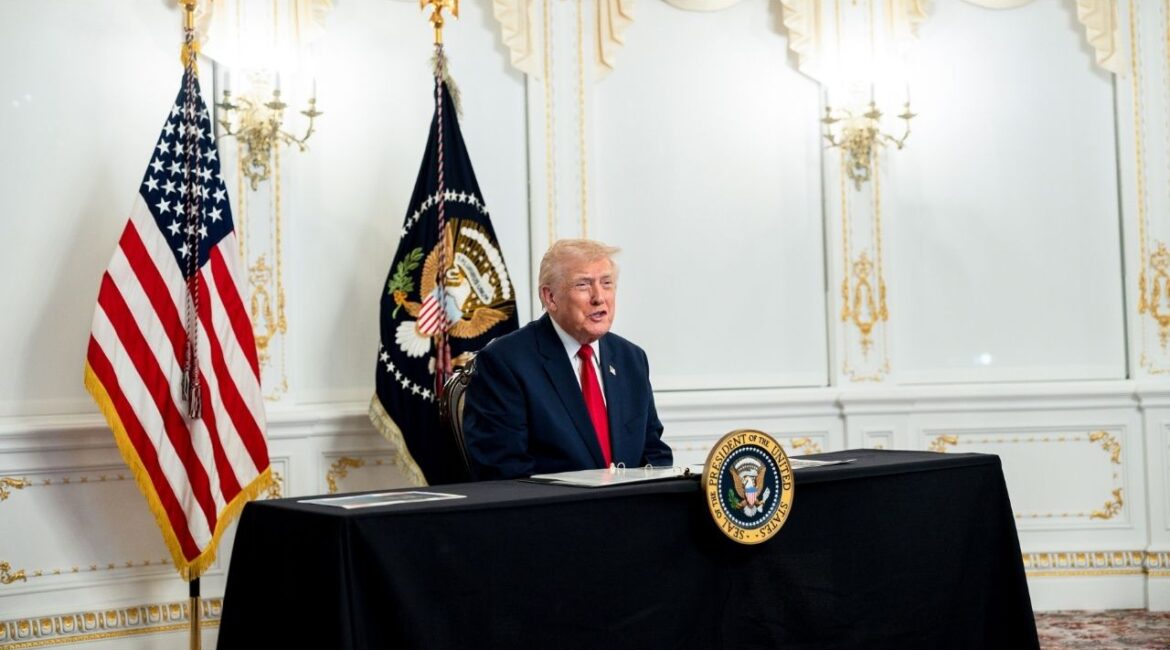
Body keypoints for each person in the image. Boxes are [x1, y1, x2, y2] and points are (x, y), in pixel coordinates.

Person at [462, 239, 673, 479]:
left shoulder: (631, 359)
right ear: (550, 297)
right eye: (583, 285)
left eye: (607, 284)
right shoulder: (505, 363)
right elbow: (504, 472)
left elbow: (655, 453)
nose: (599, 297)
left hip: (631, 511)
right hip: (554, 513)